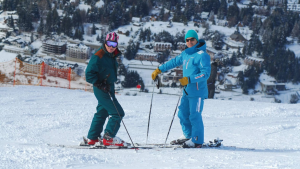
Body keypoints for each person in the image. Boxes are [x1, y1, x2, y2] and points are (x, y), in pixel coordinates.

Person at [151, 30, 211, 148]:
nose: (189, 42)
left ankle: (197, 140)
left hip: (197, 91)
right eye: (187, 40)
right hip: (187, 91)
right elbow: (173, 62)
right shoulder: (185, 54)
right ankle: (188, 136)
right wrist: (159, 69)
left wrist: (189, 79)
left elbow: (205, 74)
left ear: (196, 40)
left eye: (192, 40)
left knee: (195, 115)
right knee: (182, 113)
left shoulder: (202, 55)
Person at [85, 32, 129, 147]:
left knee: (102, 111)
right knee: (118, 113)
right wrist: (100, 84)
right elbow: (89, 74)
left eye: (114, 44)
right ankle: (109, 138)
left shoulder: (111, 55)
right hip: (101, 88)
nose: (111, 46)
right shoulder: (98, 56)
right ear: (105, 42)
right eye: (109, 43)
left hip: (108, 87)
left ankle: (93, 138)